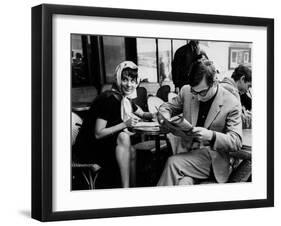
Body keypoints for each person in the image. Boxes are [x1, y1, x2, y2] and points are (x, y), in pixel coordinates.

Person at [157, 59, 242, 186]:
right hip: (188, 154)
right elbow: (166, 107)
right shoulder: (187, 91)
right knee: (184, 184)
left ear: (214, 82)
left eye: (202, 92)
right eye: (194, 91)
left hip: (213, 159)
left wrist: (211, 136)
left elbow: (236, 141)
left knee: (172, 163)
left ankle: (157, 204)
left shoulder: (231, 102)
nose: (197, 97)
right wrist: (165, 115)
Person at [73, 61, 153, 188]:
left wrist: (157, 114)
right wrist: (125, 124)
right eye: (125, 79)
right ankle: (125, 188)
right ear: (117, 78)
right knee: (124, 137)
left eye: (133, 81)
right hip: (88, 148)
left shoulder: (124, 99)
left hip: (103, 144)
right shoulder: (109, 99)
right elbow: (98, 133)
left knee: (131, 149)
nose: (129, 84)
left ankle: (132, 188)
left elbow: (142, 114)